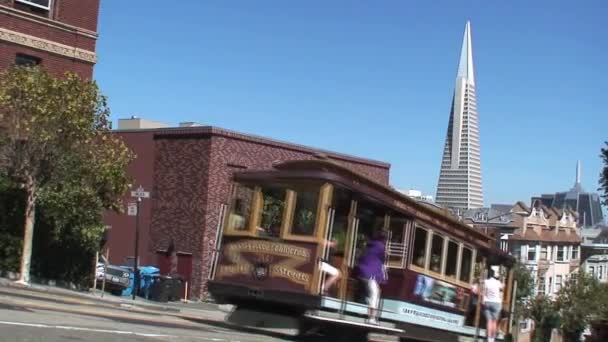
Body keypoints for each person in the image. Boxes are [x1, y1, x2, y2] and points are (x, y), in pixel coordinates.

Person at [355, 230, 388, 325]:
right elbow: (384, 258)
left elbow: (361, 257)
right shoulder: (381, 247)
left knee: (368, 292)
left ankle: (364, 309)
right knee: (375, 293)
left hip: (362, 272)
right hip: (370, 274)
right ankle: (371, 318)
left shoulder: (368, 245)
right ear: (384, 239)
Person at [482, 269, 504, 342]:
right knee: (494, 321)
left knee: (489, 321)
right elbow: (502, 287)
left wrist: (483, 300)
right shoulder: (498, 283)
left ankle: (488, 338)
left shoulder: (486, 282)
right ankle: (492, 338)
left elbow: (484, 292)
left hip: (487, 302)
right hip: (496, 303)